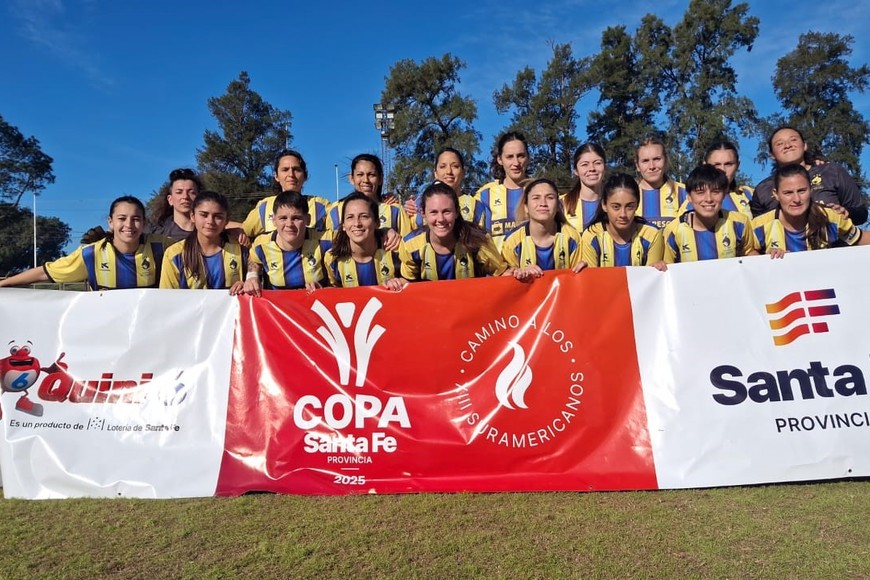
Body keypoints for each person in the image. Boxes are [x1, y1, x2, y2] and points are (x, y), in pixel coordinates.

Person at [0, 196, 168, 290]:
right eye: (122, 219)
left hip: (148, 334)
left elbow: (191, 249)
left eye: (136, 219)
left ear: (144, 223)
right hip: (107, 335)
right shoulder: (91, 253)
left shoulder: (162, 247)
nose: (129, 225)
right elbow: (46, 272)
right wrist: (4, 283)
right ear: (110, 221)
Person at [751, 126, 868, 225]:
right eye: (779, 143)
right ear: (772, 154)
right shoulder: (762, 189)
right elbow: (758, 232)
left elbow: (861, 213)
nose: (787, 145)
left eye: (793, 140)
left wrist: (846, 213)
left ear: (805, 145)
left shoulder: (832, 172)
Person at [401, 182, 512, 281]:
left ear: (457, 212)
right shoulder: (411, 245)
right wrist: (395, 283)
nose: (440, 219)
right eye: (433, 212)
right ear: (423, 214)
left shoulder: (478, 241)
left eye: (447, 211)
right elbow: (406, 283)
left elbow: (502, 274)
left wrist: (518, 274)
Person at [752, 163, 869, 256]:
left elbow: (859, 238)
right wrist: (763, 260)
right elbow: (745, 256)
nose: (796, 199)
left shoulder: (830, 217)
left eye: (802, 191)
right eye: (788, 193)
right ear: (775, 194)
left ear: (811, 190)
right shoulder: (758, 226)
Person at [661, 164, 758, 264]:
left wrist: (769, 259)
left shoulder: (740, 223)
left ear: (724, 194)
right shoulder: (673, 230)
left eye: (715, 192)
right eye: (700, 192)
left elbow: (749, 252)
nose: (708, 199)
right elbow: (667, 268)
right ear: (689, 196)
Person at [243, 191, 332, 295]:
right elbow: (253, 259)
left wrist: (327, 289)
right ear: (274, 220)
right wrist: (251, 277)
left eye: (296, 218)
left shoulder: (325, 240)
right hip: (277, 309)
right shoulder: (262, 244)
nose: (289, 224)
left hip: (316, 307)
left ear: (308, 219)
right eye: (283, 218)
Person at [160, 191, 246, 293]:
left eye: (218, 216)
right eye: (204, 215)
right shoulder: (174, 254)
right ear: (192, 216)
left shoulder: (240, 247)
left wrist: (247, 283)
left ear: (226, 220)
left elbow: (254, 279)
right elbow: (166, 297)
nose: (210, 221)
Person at [501, 178, 585, 279]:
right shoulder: (512, 242)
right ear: (526, 207)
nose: (543, 203)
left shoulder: (572, 238)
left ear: (558, 206)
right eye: (536, 198)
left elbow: (578, 280)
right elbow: (506, 282)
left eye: (550, 197)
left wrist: (582, 271)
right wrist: (520, 273)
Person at [324, 192, 406, 290]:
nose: (357, 223)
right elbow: (332, 292)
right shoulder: (332, 259)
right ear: (343, 225)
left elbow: (415, 281)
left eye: (364, 216)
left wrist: (401, 283)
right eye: (350, 217)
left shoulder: (395, 249)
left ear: (377, 223)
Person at [240, 150, 330, 238]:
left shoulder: (321, 205)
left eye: (296, 169)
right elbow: (242, 231)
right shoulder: (265, 206)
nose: (291, 174)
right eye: (285, 170)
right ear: (276, 176)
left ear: (305, 175)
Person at [581, 173, 664, 268]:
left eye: (629, 206)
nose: (623, 214)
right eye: (616, 207)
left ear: (637, 205)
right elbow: (591, 280)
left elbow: (652, 279)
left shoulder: (652, 234)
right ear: (604, 205)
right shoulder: (592, 235)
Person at [324, 154, 412, 236]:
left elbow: (407, 245)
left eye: (371, 175)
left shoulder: (394, 210)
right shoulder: (335, 211)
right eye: (360, 174)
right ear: (351, 178)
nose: (366, 180)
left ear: (380, 179)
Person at [404, 147, 486, 230]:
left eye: (455, 166)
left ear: (463, 172)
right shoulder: (418, 205)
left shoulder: (476, 206)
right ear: (435, 173)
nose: (449, 171)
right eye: (443, 166)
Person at [474, 131, 531, 249]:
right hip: (497, 267)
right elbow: (475, 237)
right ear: (500, 159)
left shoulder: (541, 191)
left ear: (528, 157)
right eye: (510, 157)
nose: (516, 163)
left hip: (535, 267)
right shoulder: (484, 195)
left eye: (521, 156)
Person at [679, 141, 753, 219]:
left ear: (737, 165)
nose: (723, 169)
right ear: (705, 165)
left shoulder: (749, 195)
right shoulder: (693, 203)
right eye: (717, 164)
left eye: (728, 164)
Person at [635, 136, 687, 230]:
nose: (652, 166)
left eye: (657, 159)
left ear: (666, 161)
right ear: (637, 166)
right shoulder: (629, 194)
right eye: (645, 161)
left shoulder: (684, 192)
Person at [561, 143, 607, 231]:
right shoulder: (560, 204)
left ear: (605, 167)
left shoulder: (615, 203)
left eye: (597, 163)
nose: (592, 168)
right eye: (585, 164)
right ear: (576, 171)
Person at [149, 168, 201, 241]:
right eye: (179, 192)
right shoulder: (154, 235)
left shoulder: (211, 231)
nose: (185, 196)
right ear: (170, 199)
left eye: (191, 192)